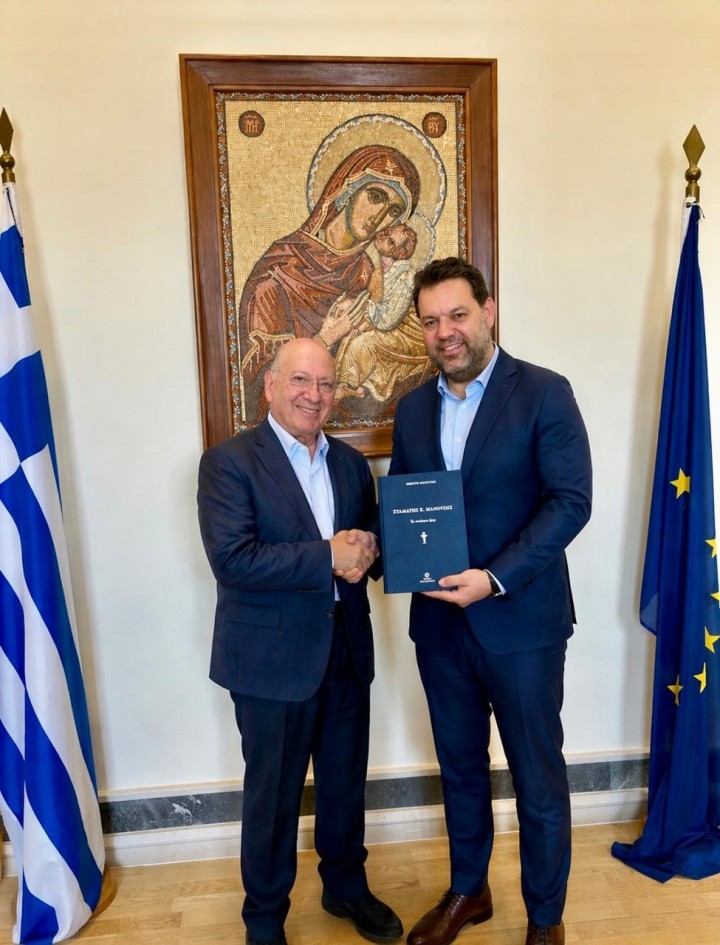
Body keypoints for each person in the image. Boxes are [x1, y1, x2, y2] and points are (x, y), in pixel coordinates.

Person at [388, 258, 592, 945]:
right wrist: (397, 556)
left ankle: (545, 919)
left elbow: (570, 502)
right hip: (439, 628)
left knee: (537, 776)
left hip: (522, 622)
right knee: (461, 769)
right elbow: (409, 505)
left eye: (457, 314)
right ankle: (469, 890)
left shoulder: (544, 392)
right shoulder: (413, 408)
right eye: (430, 321)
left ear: (489, 311)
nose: (445, 332)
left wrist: (494, 577)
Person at [198, 337, 403, 945]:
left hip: (346, 651)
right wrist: (328, 556)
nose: (314, 395)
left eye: (326, 383)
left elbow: (363, 546)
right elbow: (233, 560)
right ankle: (264, 920)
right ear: (269, 385)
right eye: (300, 380)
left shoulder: (350, 464)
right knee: (274, 799)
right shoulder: (229, 462)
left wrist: (374, 546)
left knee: (344, 784)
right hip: (270, 663)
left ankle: (346, 887)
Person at [238, 144, 421, 421]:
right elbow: (260, 384)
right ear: (347, 190)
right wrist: (326, 337)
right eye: (375, 196)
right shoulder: (279, 270)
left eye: (394, 211)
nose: (379, 217)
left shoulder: (368, 271)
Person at [335, 222, 428, 403]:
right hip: (390, 328)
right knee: (349, 333)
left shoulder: (405, 276)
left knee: (361, 343)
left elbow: (388, 319)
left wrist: (357, 305)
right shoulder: (381, 271)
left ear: (400, 252)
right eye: (386, 233)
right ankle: (347, 384)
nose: (383, 238)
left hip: (410, 335)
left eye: (391, 242)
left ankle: (349, 387)